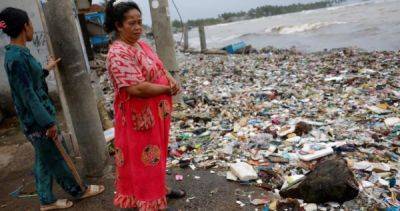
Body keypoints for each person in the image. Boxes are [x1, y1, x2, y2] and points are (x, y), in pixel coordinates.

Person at [0, 7, 105, 210]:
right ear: (25, 27)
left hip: (35, 121)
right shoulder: (17, 58)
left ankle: (46, 200)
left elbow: (31, 82)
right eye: (30, 23)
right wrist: (47, 123)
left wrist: (45, 69)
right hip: (38, 123)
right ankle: (79, 191)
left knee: (44, 161)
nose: (31, 28)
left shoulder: (17, 54)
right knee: (60, 158)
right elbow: (28, 95)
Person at [104, 0, 185, 210]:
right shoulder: (118, 53)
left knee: (157, 157)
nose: (138, 27)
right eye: (132, 23)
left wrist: (170, 78)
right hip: (138, 117)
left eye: (140, 22)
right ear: (118, 25)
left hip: (156, 113)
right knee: (144, 159)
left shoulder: (140, 44)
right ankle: (148, 200)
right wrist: (167, 89)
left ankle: (160, 189)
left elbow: (158, 65)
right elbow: (136, 89)